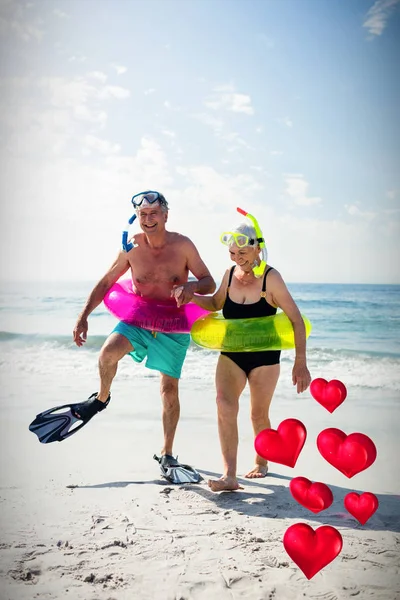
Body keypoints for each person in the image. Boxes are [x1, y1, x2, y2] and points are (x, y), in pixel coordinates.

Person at [72, 191, 216, 480]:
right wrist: (83, 315)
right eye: (143, 215)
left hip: (173, 324)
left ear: (165, 215)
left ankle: (167, 452)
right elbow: (106, 281)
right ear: (137, 218)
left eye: (154, 213)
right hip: (139, 318)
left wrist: (190, 287)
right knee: (108, 352)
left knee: (168, 390)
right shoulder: (131, 247)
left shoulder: (183, 245)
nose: (148, 219)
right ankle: (101, 398)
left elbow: (208, 281)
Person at [190, 209, 311, 492]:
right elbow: (216, 304)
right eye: (232, 253)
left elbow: (296, 320)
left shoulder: (272, 279)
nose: (237, 258)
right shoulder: (230, 274)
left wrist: (300, 363)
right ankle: (230, 475)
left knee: (258, 414)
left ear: (257, 247)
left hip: (265, 356)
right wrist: (190, 297)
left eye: (241, 252)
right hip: (232, 352)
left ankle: (261, 460)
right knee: (224, 404)